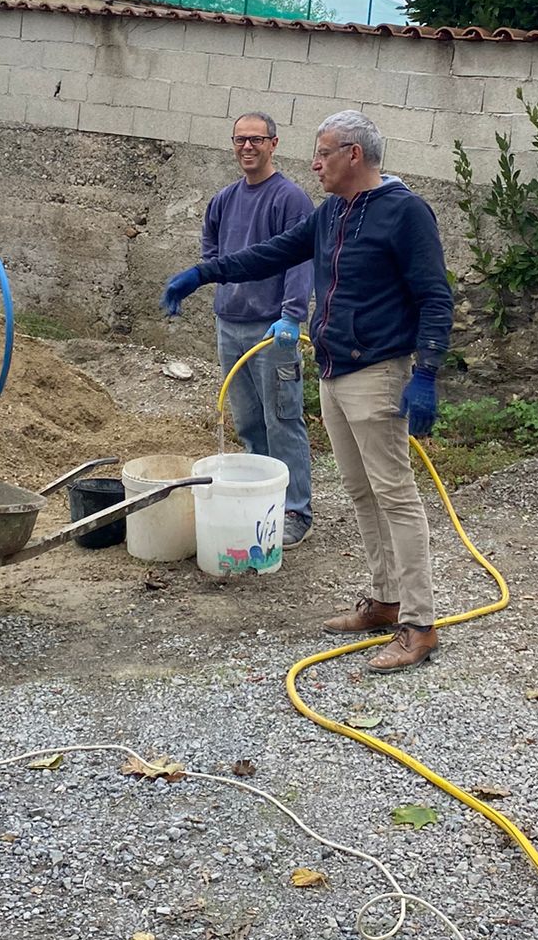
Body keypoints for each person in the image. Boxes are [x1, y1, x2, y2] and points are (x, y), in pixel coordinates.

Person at [163, 110, 451, 671]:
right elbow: (272, 252)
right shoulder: (332, 213)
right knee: (361, 492)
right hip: (334, 370)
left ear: (354, 155)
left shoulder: (405, 212)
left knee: (395, 495)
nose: (314, 163)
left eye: (323, 153)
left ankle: (420, 625)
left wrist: (427, 373)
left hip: (378, 373)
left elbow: (435, 296)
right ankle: (385, 600)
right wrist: (205, 273)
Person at [202, 113, 316, 549]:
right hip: (229, 326)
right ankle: (263, 499)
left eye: (256, 139)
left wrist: (292, 314)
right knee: (249, 422)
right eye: (240, 140)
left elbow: (302, 260)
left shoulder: (290, 200)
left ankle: (296, 511)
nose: (247, 147)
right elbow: (211, 249)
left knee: (282, 419)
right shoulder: (224, 200)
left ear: (274, 144)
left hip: (273, 331)